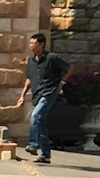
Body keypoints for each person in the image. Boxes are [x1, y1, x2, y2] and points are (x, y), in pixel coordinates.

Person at [17, 31, 69, 166]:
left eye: (33, 44)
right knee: (41, 123)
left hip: (49, 92)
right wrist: (22, 96)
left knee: (35, 115)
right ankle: (46, 155)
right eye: (30, 43)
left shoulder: (52, 58)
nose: (31, 46)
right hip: (37, 94)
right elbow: (29, 79)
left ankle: (33, 144)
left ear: (41, 44)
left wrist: (62, 82)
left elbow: (68, 68)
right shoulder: (31, 60)